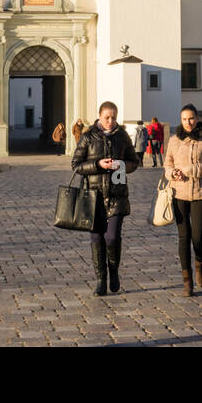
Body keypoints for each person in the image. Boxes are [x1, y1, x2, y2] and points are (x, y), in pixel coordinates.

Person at [71, 101, 139, 297]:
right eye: (107, 117)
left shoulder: (122, 136)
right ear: (99, 116)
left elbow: (135, 162)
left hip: (116, 195)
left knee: (112, 236)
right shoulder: (88, 137)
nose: (110, 121)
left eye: (114, 117)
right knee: (96, 238)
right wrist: (98, 164)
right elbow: (76, 165)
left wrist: (122, 164)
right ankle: (101, 279)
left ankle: (114, 271)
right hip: (93, 196)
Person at [164, 103, 202, 297]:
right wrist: (172, 173)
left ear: (197, 118)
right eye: (184, 119)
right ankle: (187, 281)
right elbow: (167, 165)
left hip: (200, 193)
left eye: (191, 118)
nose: (188, 122)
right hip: (178, 193)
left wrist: (191, 170)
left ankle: (200, 262)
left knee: (197, 237)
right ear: (180, 120)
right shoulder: (174, 140)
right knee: (183, 237)